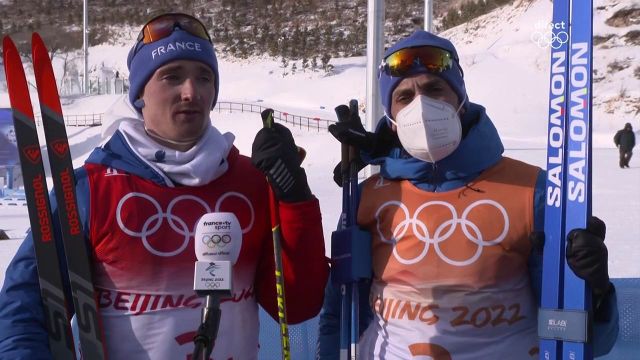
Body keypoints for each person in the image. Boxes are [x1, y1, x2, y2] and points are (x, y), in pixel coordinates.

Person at [0, 12, 328, 359]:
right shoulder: (89, 190)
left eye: (204, 78)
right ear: (140, 93)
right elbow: (26, 311)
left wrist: (294, 199)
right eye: (172, 77)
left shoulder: (250, 181)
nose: (191, 92)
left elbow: (297, 306)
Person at [317, 30, 619, 359]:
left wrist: (595, 291)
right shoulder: (367, 196)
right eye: (404, 97)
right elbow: (340, 313)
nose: (422, 106)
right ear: (391, 120)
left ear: (461, 100)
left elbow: (581, 338)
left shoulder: (532, 189)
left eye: (435, 89)